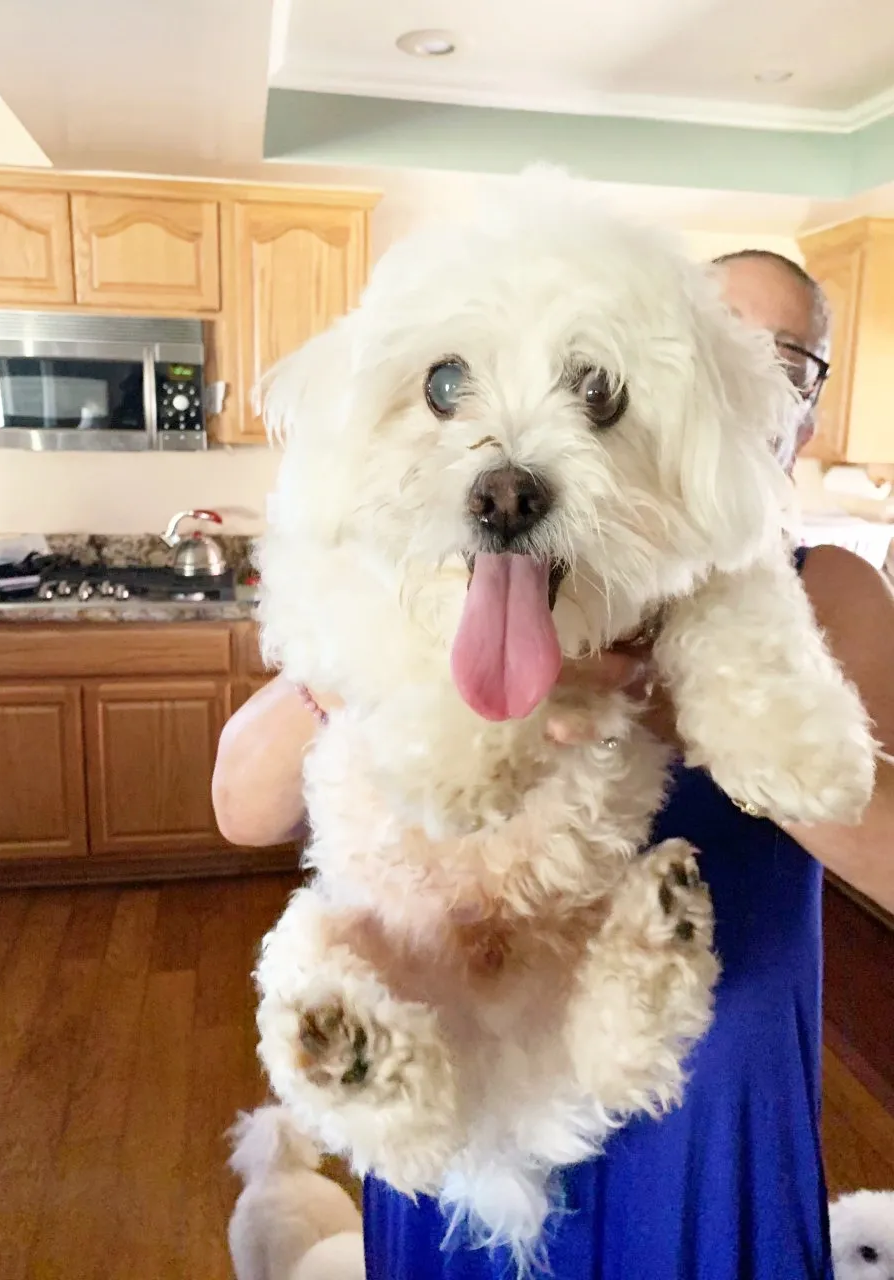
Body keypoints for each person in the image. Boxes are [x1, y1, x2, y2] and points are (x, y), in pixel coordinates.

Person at [212, 249, 894, 1279]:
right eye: (712, 343)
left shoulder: (827, 584)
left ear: (809, 405)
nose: (742, 377)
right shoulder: (483, 560)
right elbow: (238, 801)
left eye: (786, 360)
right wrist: (372, 667)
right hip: (467, 1053)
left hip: (711, 1080)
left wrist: (677, 674)